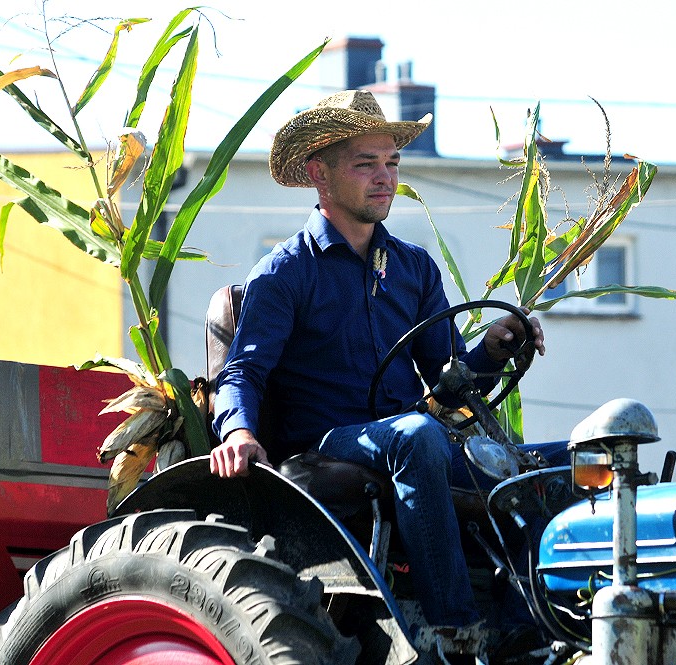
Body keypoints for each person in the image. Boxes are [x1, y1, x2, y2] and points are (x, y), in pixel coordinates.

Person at [210, 90, 548, 631]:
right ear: (319, 174)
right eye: (365, 164)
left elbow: (451, 382)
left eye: (391, 162)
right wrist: (239, 432)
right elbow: (242, 372)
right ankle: (454, 629)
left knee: (563, 463)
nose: (384, 177)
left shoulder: (415, 269)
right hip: (327, 445)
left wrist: (494, 349)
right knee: (418, 435)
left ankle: (530, 633)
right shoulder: (283, 273)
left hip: (415, 442)